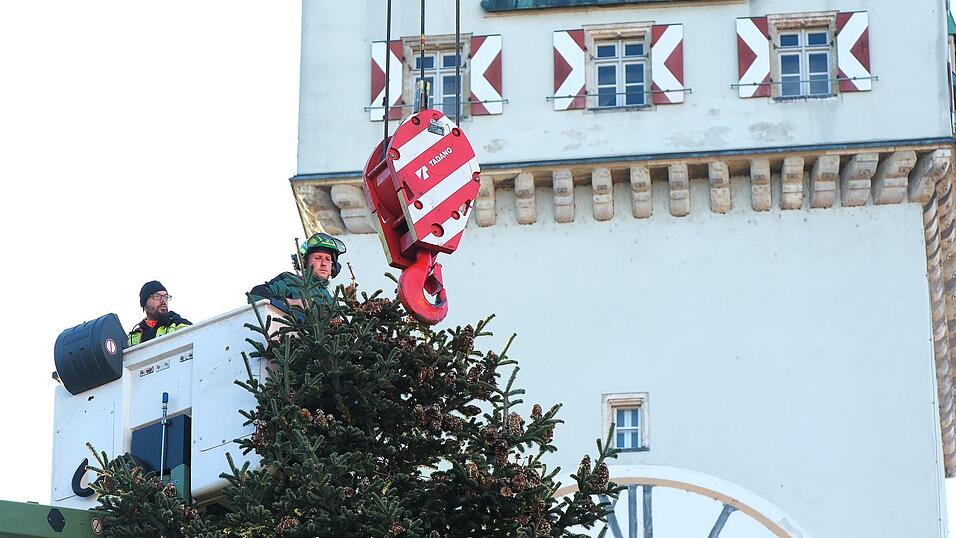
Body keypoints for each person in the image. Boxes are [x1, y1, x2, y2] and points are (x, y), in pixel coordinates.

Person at [249, 233, 347, 309]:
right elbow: (255, 295)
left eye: (328, 259)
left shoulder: (332, 299)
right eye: (318, 258)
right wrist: (291, 302)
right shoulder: (290, 281)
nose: (324, 263)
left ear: (333, 266)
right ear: (304, 262)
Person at [128, 281, 192, 345]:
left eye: (166, 297)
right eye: (157, 296)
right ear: (144, 303)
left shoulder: (178, 324)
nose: (163, 301)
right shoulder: (133, 337)